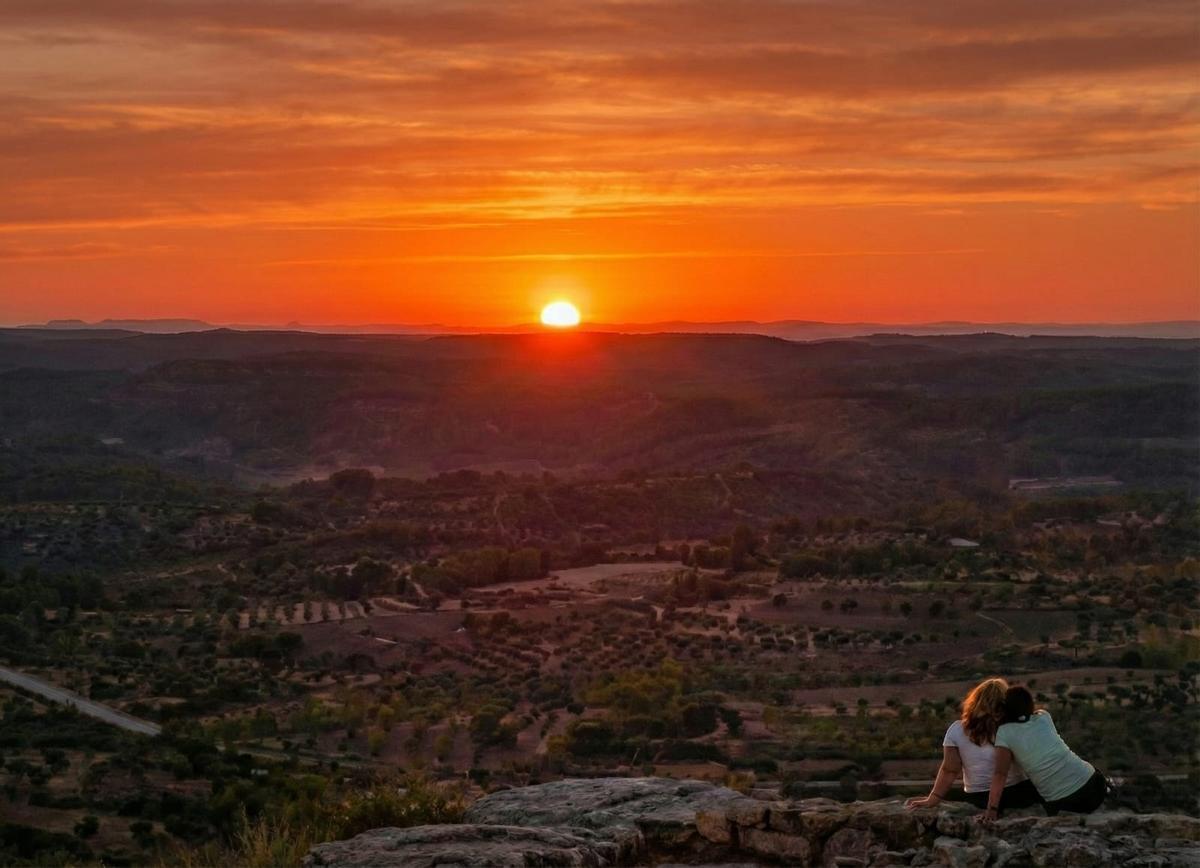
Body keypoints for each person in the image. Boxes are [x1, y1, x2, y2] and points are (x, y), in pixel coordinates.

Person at [906, 677, 1041, 813]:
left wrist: (933, 798)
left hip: (979, 798)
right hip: (1018, 794)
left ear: (975, 702)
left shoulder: (957, 730)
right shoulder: (1014, 727)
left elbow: (949, 770)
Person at [978, 685, 1108, 824]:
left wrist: (992, 809)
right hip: (1094, 789)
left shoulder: (1004, 733)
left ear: (1005, 708)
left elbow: (1000, 774)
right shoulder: (1044, 717)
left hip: (1065, 804)